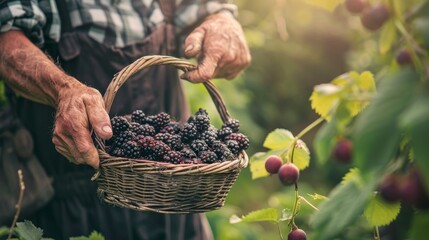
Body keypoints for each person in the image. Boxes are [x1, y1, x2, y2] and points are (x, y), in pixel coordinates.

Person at [0, 0, 251, 239]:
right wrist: (63, 90)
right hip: (76, 205)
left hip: (178, 196)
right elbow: (6, 40)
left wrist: (223, 21)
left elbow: (211, 9)